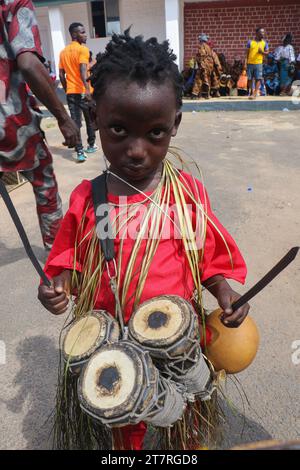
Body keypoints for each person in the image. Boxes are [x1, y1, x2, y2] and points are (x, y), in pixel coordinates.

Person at [38, 30, 250, 450]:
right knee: (126, 417)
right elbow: (66, 263)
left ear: (175, 124)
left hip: (177, 336)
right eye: (118, 130)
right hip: (116, 337)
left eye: (155, 133)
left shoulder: (186, 193)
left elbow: (209, 257)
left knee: (187, 411)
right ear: (95, 117)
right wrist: (57, 287)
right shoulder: (88, 198)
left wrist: (225, 293)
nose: (136, 150)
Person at [0, 0, 79, 251]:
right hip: (11, 125)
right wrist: (64, 119)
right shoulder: (16, 4)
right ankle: (58, 261)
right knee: (44, 184)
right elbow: (28, 64)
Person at [59, 23, 98, 163]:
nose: (85, 34)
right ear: (74, 35)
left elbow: (61, 75)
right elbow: (83, 69)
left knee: (75, 122)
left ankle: (80, 151)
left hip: (71, 93)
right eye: (82, 32)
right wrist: (87, 90)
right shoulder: (83, 50)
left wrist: (66, 90)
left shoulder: (63, 52)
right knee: (89, 119)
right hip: (83, 91)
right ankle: (91, 145)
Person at [192, 34, 222, 99]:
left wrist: (201, 66)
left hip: (204, 66)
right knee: (207, 80)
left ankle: (195, 95)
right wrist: (218, 69)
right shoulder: (209, 48)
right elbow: (216, 60)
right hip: (210, 67)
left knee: (199, 79)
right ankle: (207, 95)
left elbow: (201, 56)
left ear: (201, 40)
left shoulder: (202, 46)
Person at [246, 27, 269, 99]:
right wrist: (245, 62)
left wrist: (262, 52)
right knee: (250, 78)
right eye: (261, 33)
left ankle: (255, 93)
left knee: (258, 78)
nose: (263, 34)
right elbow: (247, 53)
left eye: (263, 33)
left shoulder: (264, 43)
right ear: (256, 34)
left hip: (259, 63)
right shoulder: (250, 42)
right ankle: (251, 92)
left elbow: (267, 52)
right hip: (250, 63)